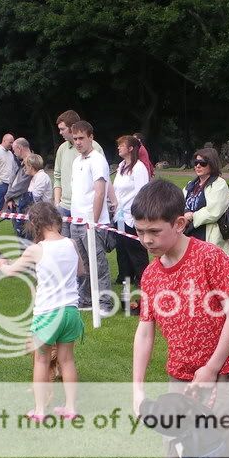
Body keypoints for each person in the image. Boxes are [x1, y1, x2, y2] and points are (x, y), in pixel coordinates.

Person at [131, 179, 229, 458]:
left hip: (223, 373)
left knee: (224, 456)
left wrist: (212, 368)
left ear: (179, 223)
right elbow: (145, 330)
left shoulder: (210, 258)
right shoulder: (150, 275)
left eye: (154, 231)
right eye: (139, 230)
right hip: (180, 378)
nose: (145, 239)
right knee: (176, 455)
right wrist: (137, 388)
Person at [0, 202, 84, 421]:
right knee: (67, 361)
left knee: (41, 361)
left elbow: (10, 271)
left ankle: (39, 410)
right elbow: (81, 271)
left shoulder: (36, 249)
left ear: (35, 223)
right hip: (71, 312)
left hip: (47, 314)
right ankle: (71, 408)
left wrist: (2, 263)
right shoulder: (71, 244)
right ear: (56, 220)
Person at [68, 120, 113, 314]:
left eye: (81, 138)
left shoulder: (97, 159)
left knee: (99, 264)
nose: (78, 142)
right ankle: (85, 299)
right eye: (75, 138)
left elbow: (100, 193)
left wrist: (93, 222)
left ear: (90, 138)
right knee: (83, 264)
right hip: (75, 220)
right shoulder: (77, 161)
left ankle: (105, 304)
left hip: (93, 222)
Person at [112, 135, 149, 312]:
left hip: (132, 215)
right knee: (122, 249)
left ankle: (144, 279)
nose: (118, 148)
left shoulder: (139, 168)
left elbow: (142, 192)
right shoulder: (121, 167)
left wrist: (138, 216)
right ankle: (125, 277)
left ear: (131, 148)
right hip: (119, 215)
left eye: (122, 145)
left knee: (136, 250)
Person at [53, 110, 105, 235]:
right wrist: (57, 203)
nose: (60, 132)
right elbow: (57, 177)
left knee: (89, 252)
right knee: (66, 251)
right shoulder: (62, 148)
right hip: (64, 207)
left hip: (86, 210)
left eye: (62, 129)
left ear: (72, 128)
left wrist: (95, 219)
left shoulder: (95, 149)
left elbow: (103, 182)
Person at [182, 147, 229, 253]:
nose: (198, 166)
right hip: (188, 237)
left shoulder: (219, 184)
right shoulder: (191, 184)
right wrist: (184, 215)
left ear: (212, 164)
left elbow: (213, 211)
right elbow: (180, 203)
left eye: (203, 163)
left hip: (207, 239)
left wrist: (191, 217)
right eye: (196, 162)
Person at [4, 138, 34, 239]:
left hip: (26, 206)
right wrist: (9, 199)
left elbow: (22, 185)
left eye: (14, 149)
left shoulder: (32, 162)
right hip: (16, 204)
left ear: (20, 148)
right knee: (20, 238)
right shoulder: (20, 161)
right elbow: (12, 180)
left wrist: (7, 196)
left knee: (27, 239)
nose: (13, 152)